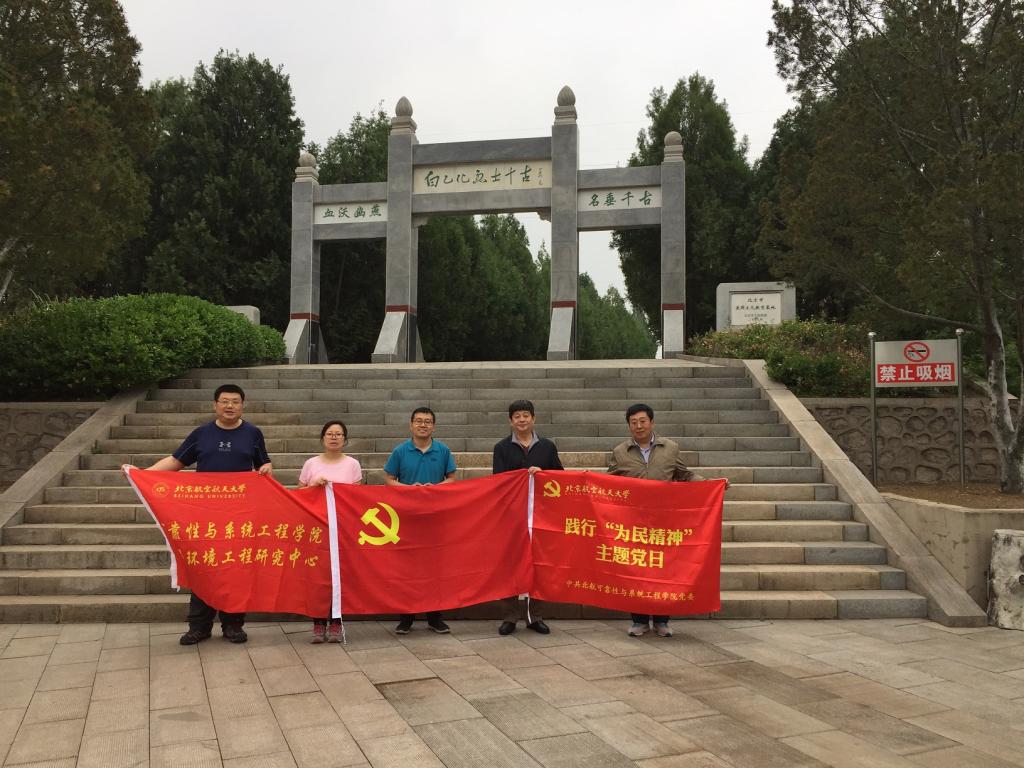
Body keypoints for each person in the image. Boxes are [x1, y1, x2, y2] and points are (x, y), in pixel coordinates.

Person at [144, 384, 272, 645]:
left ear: (242, 405)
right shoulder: (201, 434)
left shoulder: (253, 433)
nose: (229, 406)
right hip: (204, 516)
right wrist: (141, 474)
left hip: (239, 516)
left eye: (235, 401)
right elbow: (175, 462)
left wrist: (267, 469)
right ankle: (199, 627)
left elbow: (264, 465)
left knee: (235, 569)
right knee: (203, 568)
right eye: (224, 401)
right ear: (215, 405)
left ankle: (233, 625)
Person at [608, 403, 721, 639]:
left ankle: (662, 620)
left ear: (652, 422)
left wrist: (710, 484)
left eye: (643, 421)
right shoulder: (620, 452)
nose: (639, 426)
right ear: (629, 426)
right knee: (637, 570)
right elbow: (610, 482)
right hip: (634, 523)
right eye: (633, 422)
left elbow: (685, 475)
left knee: (663, 570)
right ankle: (639, 620)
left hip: (665, 521)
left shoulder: (670, 448)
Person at [492, 399, 562, 636]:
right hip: (512, 516)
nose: (522, 420)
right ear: (510, 421)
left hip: (541, 516)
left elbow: (560, 478)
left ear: (533, 418)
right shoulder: (501, 448)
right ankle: (510, 616)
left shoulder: (547, 447)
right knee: (509, 566)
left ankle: (535, 616)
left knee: (539, 566)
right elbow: (498, 481)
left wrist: (544, 474)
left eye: (525, 415)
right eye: (517, 416)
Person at [383, 406, 456, 634]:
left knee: (435, 568)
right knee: (407, 569)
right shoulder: (400, 451)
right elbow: (389, 479)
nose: (423, 425)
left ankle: (435, 617)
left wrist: (435, 489)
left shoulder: (443, 450)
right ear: (411, 424)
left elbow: (452, 479)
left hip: (435, 518)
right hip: (407, 518)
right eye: (419, 421)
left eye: (427, 421)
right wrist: (409, 489)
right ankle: (406, 617)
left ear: (433, 426)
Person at [297, 420, 363, 644]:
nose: (334, 437)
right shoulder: (311, 464)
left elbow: (357, 496)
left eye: (338, 434)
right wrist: (313, 486)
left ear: (345, 439)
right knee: (317, 576)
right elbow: (300, 495)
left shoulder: (352, 464)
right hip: (317, 527)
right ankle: (318, 622)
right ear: (322, 438)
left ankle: (336, 622)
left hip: (342, 528)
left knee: (338, 576)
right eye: (329, 433)